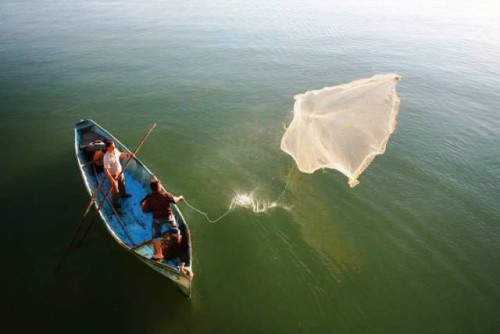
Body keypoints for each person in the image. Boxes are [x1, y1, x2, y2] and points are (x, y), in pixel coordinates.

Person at [140, 178, 185, 262]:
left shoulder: (150, 198)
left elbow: (145, 210)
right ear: (159, 187)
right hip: (169, 218)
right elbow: (175, 200)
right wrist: (180, 197)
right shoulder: (166, 195)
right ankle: (178, 242)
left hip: (157, 220)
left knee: (156, 236)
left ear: (151, 189)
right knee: (175, 231)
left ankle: (159, 254)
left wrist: (143, 207)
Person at [103, 140, 134, 208]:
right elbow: (106, 170)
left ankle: (123, 194)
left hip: (120, 171)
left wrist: (128, 155)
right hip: (113, 175)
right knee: (115, 189)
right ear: (108, 148)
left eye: (114, 146)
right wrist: (112, 180)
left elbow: (120, 154)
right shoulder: (106, 157)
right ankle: (114, 202)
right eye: (112, 146)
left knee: (122, 183)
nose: (114, 147)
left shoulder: (115, 150)